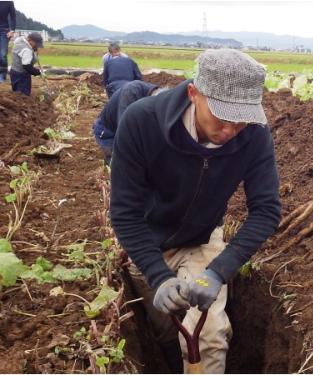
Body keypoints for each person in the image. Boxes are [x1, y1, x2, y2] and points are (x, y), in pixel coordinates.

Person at [110, 49, 281, 373]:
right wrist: (158, 277)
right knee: (164, 332)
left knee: (209, 335)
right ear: (194, 93)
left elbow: (266, 210)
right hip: (148, 241)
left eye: (241, 119)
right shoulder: (142, 122)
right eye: (221, 116)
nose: (231, 130)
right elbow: (125, 212)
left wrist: (218, 271)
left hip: (202, 240)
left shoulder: (255, 135)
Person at [92, 80, 167, 164]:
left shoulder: (159, 95)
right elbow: (124, 130)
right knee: (119, 162)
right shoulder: (130, 92)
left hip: (126, 125)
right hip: (107, 131)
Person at [0, 1, 16, 83]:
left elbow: (13, 16)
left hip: (4, 31)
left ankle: (2, 76)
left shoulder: (9, 2)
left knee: (2, 54)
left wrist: (12, 30)